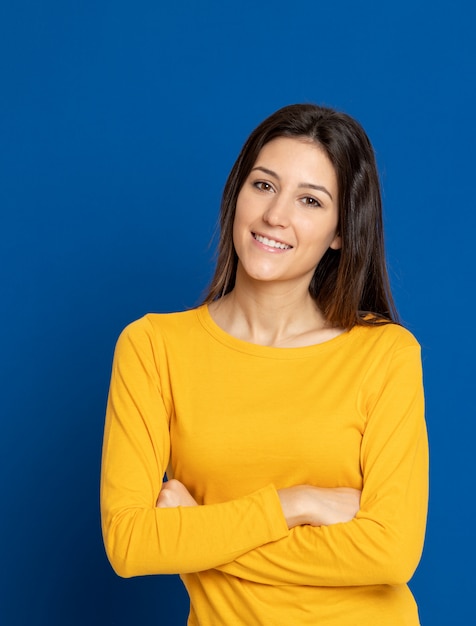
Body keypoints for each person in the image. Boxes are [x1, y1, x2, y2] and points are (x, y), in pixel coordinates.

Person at [100, 103, 429, 625]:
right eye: (264, 185)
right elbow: (131, 543)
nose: (276, 215)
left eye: (310, 200)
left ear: (341, 232)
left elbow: (391, 553)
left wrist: (199, 531)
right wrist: (295, 503)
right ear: (237, 195)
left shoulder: (384, 354)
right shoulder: (153, 347)